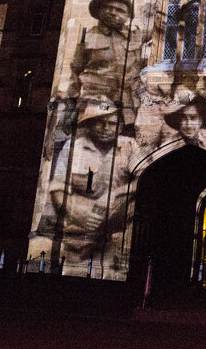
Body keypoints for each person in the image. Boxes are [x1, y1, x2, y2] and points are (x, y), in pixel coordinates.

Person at [39, 97, 136, 270]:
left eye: (112, 124)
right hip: (78, 236)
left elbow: (141, 183)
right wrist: (77, 211)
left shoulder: (130, 147)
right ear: (90, 124)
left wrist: (115, 200)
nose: (106, 129)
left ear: (120, 126)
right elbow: (57, 188)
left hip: (117, 236)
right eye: (100, 123)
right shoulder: (74, 147)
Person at [69, 0, 143, 123]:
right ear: (98, 11)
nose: (113, 12)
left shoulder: (137, 35)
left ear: (127, 16)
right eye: (108, 7)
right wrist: (73, 101)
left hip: (129, 103)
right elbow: (75, 71)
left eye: (120, 10)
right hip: (97, 101)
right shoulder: (87, 37)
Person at [161, 90, 206, 161]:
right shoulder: (169, 147)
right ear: (177, 121)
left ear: (201, 120)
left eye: (193, 118)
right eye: (183, 118)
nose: (189, 125)